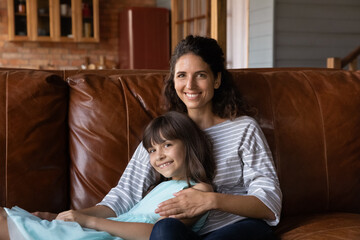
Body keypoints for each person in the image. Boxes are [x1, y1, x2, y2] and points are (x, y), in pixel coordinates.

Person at [0, 111, 215, 240]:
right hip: (102, 232)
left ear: (190, 144)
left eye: (167, 145)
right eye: (151, 150)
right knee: (13, 217)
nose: (159, 156)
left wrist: (90, 221)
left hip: (108, 235)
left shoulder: (199, 190)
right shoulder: (161, 187)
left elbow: (158, 234)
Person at [148, 35, 282, 240]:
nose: (190, 85)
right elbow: (125, 191)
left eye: (200, 75)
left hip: (240, 227)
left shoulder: (244, 128)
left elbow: (269, 203)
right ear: (173, 80)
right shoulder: (164, 134)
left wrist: (210, 200)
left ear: (216, 79)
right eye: (182, 75)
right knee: (164, 230)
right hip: (187, 233)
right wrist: (83, 218)